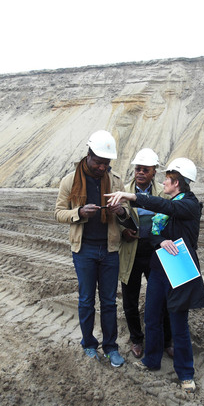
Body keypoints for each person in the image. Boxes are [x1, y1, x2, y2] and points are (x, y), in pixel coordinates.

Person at [105, 157, 204, 391]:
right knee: (152, 317)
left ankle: (185, 374)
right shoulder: (169, 206)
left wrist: (131, 196)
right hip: (159, 267)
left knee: (178, 323)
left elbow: (166, 207)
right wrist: (161, 241)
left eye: (167, 180)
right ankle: (151, 360)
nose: (163, 184)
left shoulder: (189, 205)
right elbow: (152, 232)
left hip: (180, 269)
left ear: (177, 183)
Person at [55, 130, 128, 367]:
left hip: (109, 250)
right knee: (86, 300)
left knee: (108, 302)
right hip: (84, 250)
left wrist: (121, 212)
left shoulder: (116, 181)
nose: (102, 168)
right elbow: (58, 213)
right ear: (89, 155)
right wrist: (78, 213)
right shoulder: (69, 181)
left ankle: (111, 347)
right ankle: (88, 344)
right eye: (98, 162)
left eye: (106, 163)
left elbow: (129, 214)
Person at [119, 148, 173, 359]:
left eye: (145, 169)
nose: (140, 172)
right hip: (131, 251)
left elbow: (170, 219)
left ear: (153, 172)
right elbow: (115, 222)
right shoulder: (123, 191)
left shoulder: (163, 193)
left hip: (155, 253)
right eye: (137, 168)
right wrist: (124, 231)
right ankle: (136, 340)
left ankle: (167, 340)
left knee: (163, 298)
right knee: (130, 300)